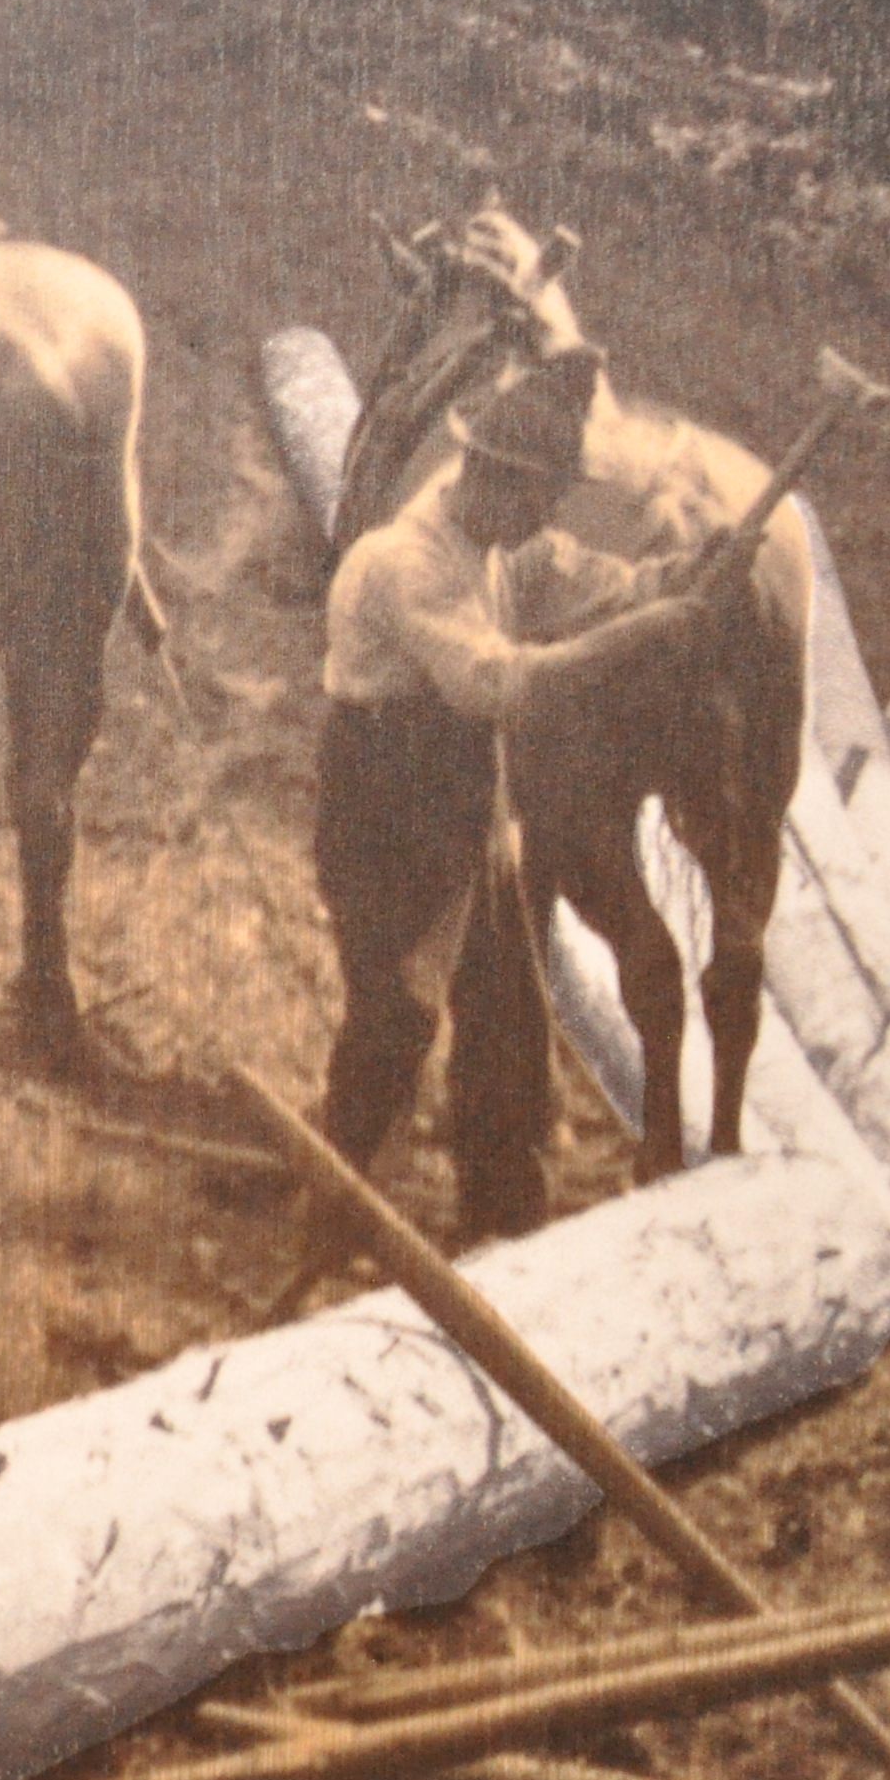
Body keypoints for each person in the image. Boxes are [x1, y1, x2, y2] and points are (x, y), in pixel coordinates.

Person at [311, 353, 714, 1238]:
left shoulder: (492, 541)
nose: (546, 521)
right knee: (394, 1017)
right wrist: (643, 631)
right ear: (492, 477)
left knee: (504, 1016)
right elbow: (498, 686)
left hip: (462, 802)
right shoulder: (403, 563)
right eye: (538, 502)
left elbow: (570, 572)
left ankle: (502, 1219)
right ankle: (335, 1205)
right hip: (381, 807)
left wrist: (672, 578)